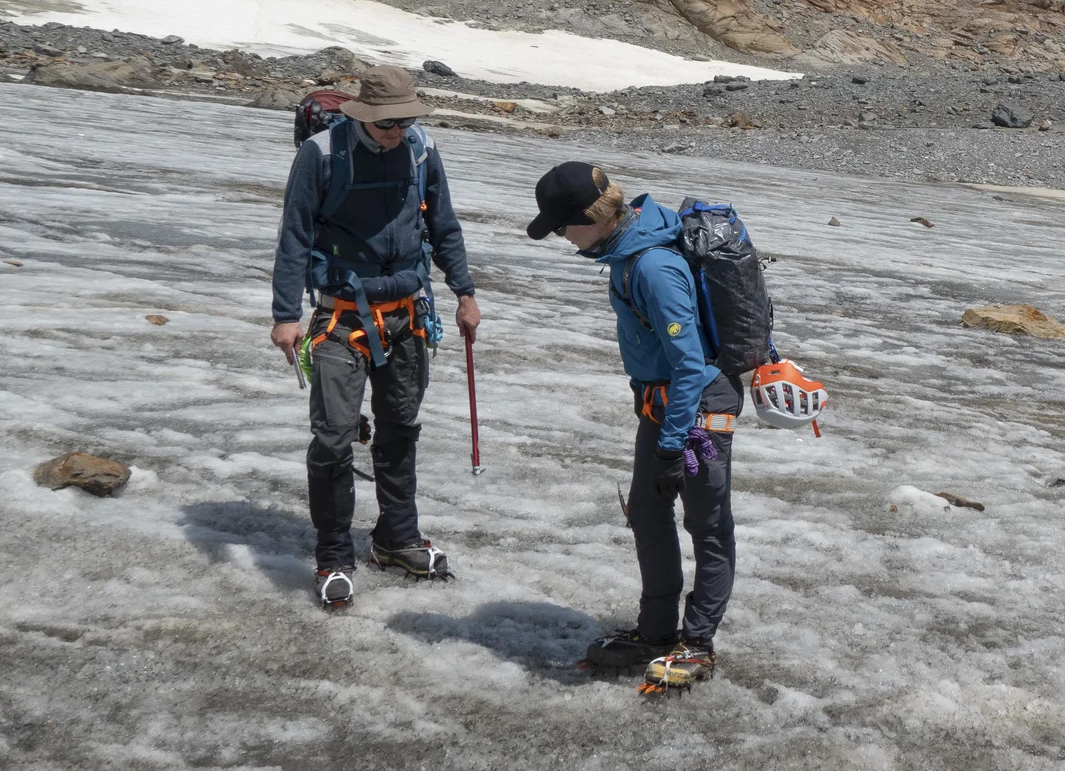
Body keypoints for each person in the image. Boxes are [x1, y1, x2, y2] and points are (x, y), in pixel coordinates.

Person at [270, 66, 481, 607]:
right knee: (335, 438)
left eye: (405, 119)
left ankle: (397, 538)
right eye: (388, 122)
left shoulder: (420, 150)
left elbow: (444, 225)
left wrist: (464, 291)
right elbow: (294, 235)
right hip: (340, 318)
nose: (397, 129)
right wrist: (285, 314)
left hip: (408, 315)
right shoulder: (320, 154)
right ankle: (334, 555)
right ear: (365, 116)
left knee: (399, 429)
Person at [526, 161, 740, 692]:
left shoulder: (650, 267)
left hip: (696, 410)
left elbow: (690, 363)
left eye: (560, 226)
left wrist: (672, 445)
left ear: (590, 219)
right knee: (647, 511)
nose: (560, 237)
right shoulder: (629, 244)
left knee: (707, 526)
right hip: (662, 406)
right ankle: (656, 630)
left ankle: (698, 641)